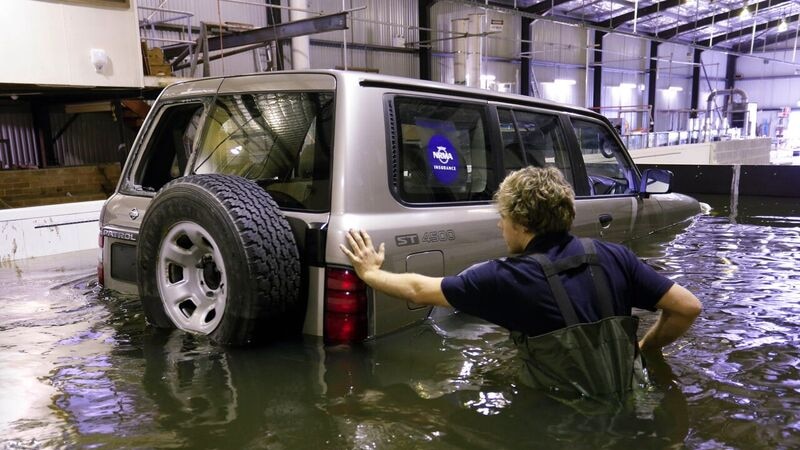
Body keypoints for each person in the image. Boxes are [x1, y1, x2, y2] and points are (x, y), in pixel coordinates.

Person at [340, 166, 701, 400]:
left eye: (503, 217)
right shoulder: (614, 255)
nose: (500, 225)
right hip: (630, 400)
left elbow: (421, 290)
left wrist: (370, 273)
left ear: (521, 223)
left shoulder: (504, 278)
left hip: (559, 414)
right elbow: (687, 308)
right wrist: (645, 347)